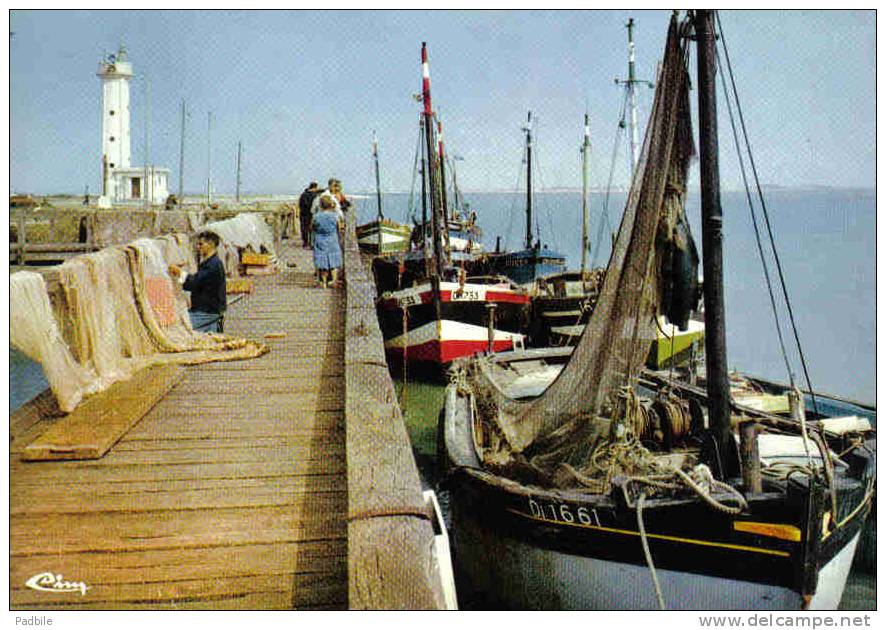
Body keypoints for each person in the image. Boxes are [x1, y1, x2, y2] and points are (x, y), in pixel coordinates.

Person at [168, 231, 226, 333]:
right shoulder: (211, 263)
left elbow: (194, 283)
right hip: (210, 311)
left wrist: (179, 272)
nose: (198, 247)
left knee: (179, 328)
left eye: (201, 244)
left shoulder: (212, 265)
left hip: (206, 312)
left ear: (211, 244)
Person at [312, 195, 343, 288]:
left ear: (320, 205)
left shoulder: (316, 216)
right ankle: (334, 281)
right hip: (332, 239)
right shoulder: (335, 216)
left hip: (319, 239)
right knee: (333, 260)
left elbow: (312, 227)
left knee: (322, 261)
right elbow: (339, 227)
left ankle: (323, 282)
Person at [297, 182, 320, 247]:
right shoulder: (315, 195)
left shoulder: (303, 194)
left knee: (304, 228)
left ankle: (305, 242)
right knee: (312, 229)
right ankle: (311, 242)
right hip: (312, 214)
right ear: (315, 187)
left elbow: (300, 205)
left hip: (303, 214)